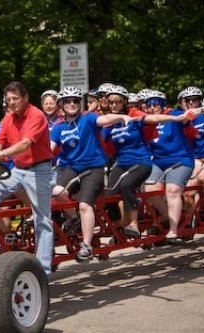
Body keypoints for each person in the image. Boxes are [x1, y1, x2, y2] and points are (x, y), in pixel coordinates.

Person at [50, 86, 134, 262]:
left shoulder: (87, 118)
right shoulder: (59, 127)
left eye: (75, 101)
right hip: (71, 167)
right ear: (62, 105)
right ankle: (75, 219)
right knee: (57, 193)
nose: (72, 104)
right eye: (67, 101)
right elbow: (48, 149)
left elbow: (104, 120)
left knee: (84, 205)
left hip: (94, 167)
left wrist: (121, 116)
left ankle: (86, 246)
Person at [0, 81, 54, 274]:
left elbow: (24, 145)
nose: (12, 103)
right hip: (19, 170)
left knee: (42, 219)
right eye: (8, 99)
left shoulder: (36, 115)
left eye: (15, 99)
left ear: (25, 98)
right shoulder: (8, 119)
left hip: (39, 170)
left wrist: (0, 155)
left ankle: (43, 270)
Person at [102, 85, 188, 238]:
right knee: (108, 195)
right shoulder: (109, 122)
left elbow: (154, 118)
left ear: (125, 102)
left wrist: (176, 118)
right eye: (111, 102)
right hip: (122, 163)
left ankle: (134, 225)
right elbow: (97, 139)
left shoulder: (134, 117)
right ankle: (120, 227)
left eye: (118, 102)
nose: (114, 105)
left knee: (127, 185)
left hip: (141, 162)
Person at [143, 90, 197, 243]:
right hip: (158, 161)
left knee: (172, 190)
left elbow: (188, 116)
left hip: (181, 159)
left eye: (155, 103)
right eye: (148, 104)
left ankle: (173, 230)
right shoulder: (147, 121)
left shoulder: (174, 115)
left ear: (163, 104)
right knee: (150, 190)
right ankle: (169, 216)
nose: (152, 107)